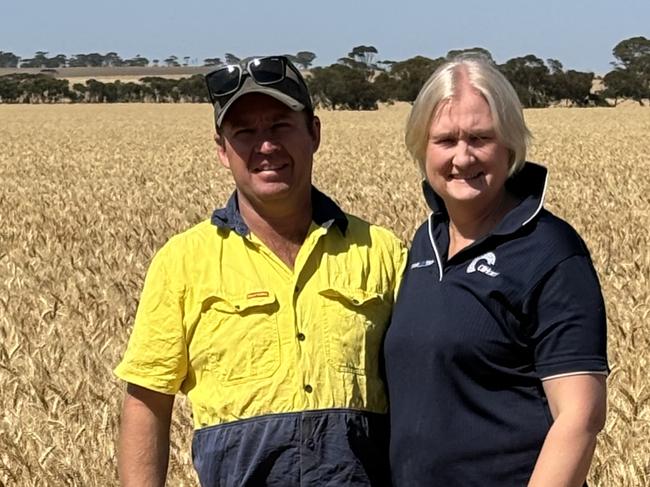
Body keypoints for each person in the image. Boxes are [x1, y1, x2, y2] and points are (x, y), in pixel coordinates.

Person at [114, 55, 406, 486]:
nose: (265, 146)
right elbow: (146, 401)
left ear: (315, 133)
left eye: (280, 126)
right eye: (244, 133)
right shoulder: (183, 262)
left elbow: (427, 383)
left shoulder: (382, 252)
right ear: (221, 150)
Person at [383, 57, 608, 486]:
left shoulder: (550, 250)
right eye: (445, 140)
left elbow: (580, 417)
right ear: (421, 148)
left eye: (480, 138)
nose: (462, 157)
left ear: (509, 144)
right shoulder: (422, 244)